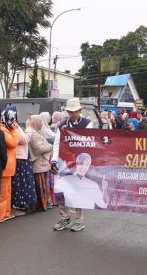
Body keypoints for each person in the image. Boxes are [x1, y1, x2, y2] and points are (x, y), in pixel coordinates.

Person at [52, 98, 94, 232]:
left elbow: (86, 142)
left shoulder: (87, 123)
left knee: (77, 191)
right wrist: (54, 160)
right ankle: (64, 217)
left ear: (80, 110)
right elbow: (57, 143)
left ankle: (79, 220)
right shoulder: (61, 125)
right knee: (60, 190)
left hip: (79, 162)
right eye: (70, 111)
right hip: (63, 161)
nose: (73, 114)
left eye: (75, 111)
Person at [0, 107, 20, 221]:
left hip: (9, 167)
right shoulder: (3, 129)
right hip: (5, 166)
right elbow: (13, 143)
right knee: (3, 193)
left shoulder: (6, 128)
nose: (15, 121)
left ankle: (6, 213)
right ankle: (0, 215)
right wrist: (15, 130)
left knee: (8, 191)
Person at [28, 115, 53, 211]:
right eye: (40, 121)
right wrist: (50, 146)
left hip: (43, 163)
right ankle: (42, 204)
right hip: (39, 164)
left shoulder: (37, 132)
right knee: (41, 184)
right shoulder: (34, 134)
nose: (42, 123)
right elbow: (39, 149)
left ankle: (45, 203)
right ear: (36, 122)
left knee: (43, 184)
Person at [12, 122, 37, 216]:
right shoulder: (13, 126)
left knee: (24, 181)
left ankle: (24, 203)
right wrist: (29, 129)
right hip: (20, 157)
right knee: (21, 182)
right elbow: (22, 140)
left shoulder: (16, 126)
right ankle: (20, 204)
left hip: (22, 156)